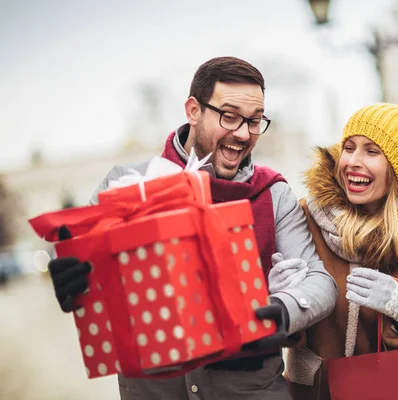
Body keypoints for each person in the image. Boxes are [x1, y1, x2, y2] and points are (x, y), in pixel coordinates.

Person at [47, 56, 338, 400]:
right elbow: (86, 269)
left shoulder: (274, 194)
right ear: (193, 110)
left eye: (255, 121)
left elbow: (321, 283)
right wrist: (73, 280)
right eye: (229, 116)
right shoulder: (125, 185)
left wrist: (281, 310)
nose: (243, 134)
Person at [285, 103, 398, 400]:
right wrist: (285, 297)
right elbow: (275, 322)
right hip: (316, 391)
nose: (353, 161)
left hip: (397, 390)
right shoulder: (305, 218)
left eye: (372, 151)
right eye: (349, 148)